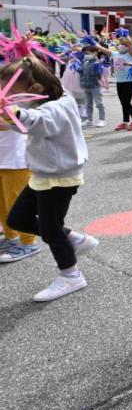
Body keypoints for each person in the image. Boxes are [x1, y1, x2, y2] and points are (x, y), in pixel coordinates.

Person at [0, 57, 97, 302]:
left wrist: (9, 109)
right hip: (45, 173)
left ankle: (71, 275)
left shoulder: (56, 107)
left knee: (51, 229)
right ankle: (74, 238)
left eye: (11, 93)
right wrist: (26, 54)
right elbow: (25, 119)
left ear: (35, 89)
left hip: (60, 177)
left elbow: (35, 121)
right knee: (18, 218)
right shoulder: (53, 95)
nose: (7, 97)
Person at [0, 129, 40, 263]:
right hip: (3, 156)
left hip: (15, 160)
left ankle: (28, 241)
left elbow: (21, 120)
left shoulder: (16, 107)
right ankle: (11, 236)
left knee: (16, 203)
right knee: (2, 203)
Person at [79, 45, 107, 128]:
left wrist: (98, 67)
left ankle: (102, 119)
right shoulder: (85, 62)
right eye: (85, 53)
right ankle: (89, 120)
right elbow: (81, 73)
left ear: (94, 53)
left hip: (95, 86)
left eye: (88, 53)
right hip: (86, 85)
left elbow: (98, 76)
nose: (86, 55)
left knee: (99, 103)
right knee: (88, 104)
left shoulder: (97, 63)